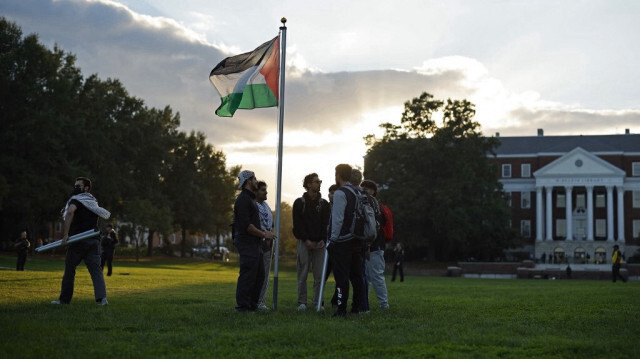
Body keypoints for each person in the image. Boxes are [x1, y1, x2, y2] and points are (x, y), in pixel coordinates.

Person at [52, 177, 111, 305]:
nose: (75, 188)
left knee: (69, 270)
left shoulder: (76, 199)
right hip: (93, 240)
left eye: (78, 186)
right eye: (75, 185)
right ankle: (102, 299)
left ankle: (64, 300)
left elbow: (70, 212)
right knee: (96, 271)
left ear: (86, 188)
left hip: (78, 240)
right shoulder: (93, 201)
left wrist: (65, 234)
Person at [233, 170, 275, 312]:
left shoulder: (250, 199)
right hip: (246, 242)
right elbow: (247, 226)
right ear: (249, 181)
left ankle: (252, 305)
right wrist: (264, 234)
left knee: (259, 275)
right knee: (248, 274)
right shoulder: (243, 200)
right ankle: (243, 307)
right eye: (254, 178)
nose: (257, 180)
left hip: (254, 243)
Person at [327, 164, 365, 318]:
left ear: (338, 175)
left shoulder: (340, 193)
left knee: (341, 277)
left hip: (342, 240)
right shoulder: (358, 191)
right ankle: (356, 307)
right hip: (357, 238)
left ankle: (341, 309)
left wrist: (333, 240)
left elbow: (338, 219)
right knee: (356, 276)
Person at [292, 173, 330, 310]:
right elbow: (297, 225)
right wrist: (306, 239)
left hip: (320, 244)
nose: (319, 184)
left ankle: (317, 302)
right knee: (302, 273)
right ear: (308, 184)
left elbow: (326, 224)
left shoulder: (324, 204)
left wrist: (322, 240)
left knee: (319, 275)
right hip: (304, 242)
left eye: (320, 181)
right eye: (316, 181)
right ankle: (302, 302)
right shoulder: (299, 203)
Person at [361, 180, 389, 309]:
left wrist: (368, 245)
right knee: (365, 276)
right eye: (363, 188)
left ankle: (384, 304)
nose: (365, 191)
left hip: (375, 246)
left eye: (368, 189)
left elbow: (375, 228)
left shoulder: (376, 207)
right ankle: (364, 302)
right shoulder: (365, 204)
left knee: (376, 275)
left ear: (373, 191)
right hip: (369, 246)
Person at [350, 168, 369, 313]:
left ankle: (354, 306)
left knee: (351, 275)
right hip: (364, 238)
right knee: (361, 275)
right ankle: (364, 306)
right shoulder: (366, 194)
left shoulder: (350, 193)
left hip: (352, 237)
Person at [255, 181, 274, 310]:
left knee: (265, 275)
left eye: (266, 189)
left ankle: (261, 301)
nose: (266, 192)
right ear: (256, 192)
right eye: (262, 190)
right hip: (256, 243)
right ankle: (252, 300)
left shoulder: (266, 206)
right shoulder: (253, 205)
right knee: (255, 274)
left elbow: (271, 224)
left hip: (268, 244)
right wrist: (263, 235)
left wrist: (270, 236)